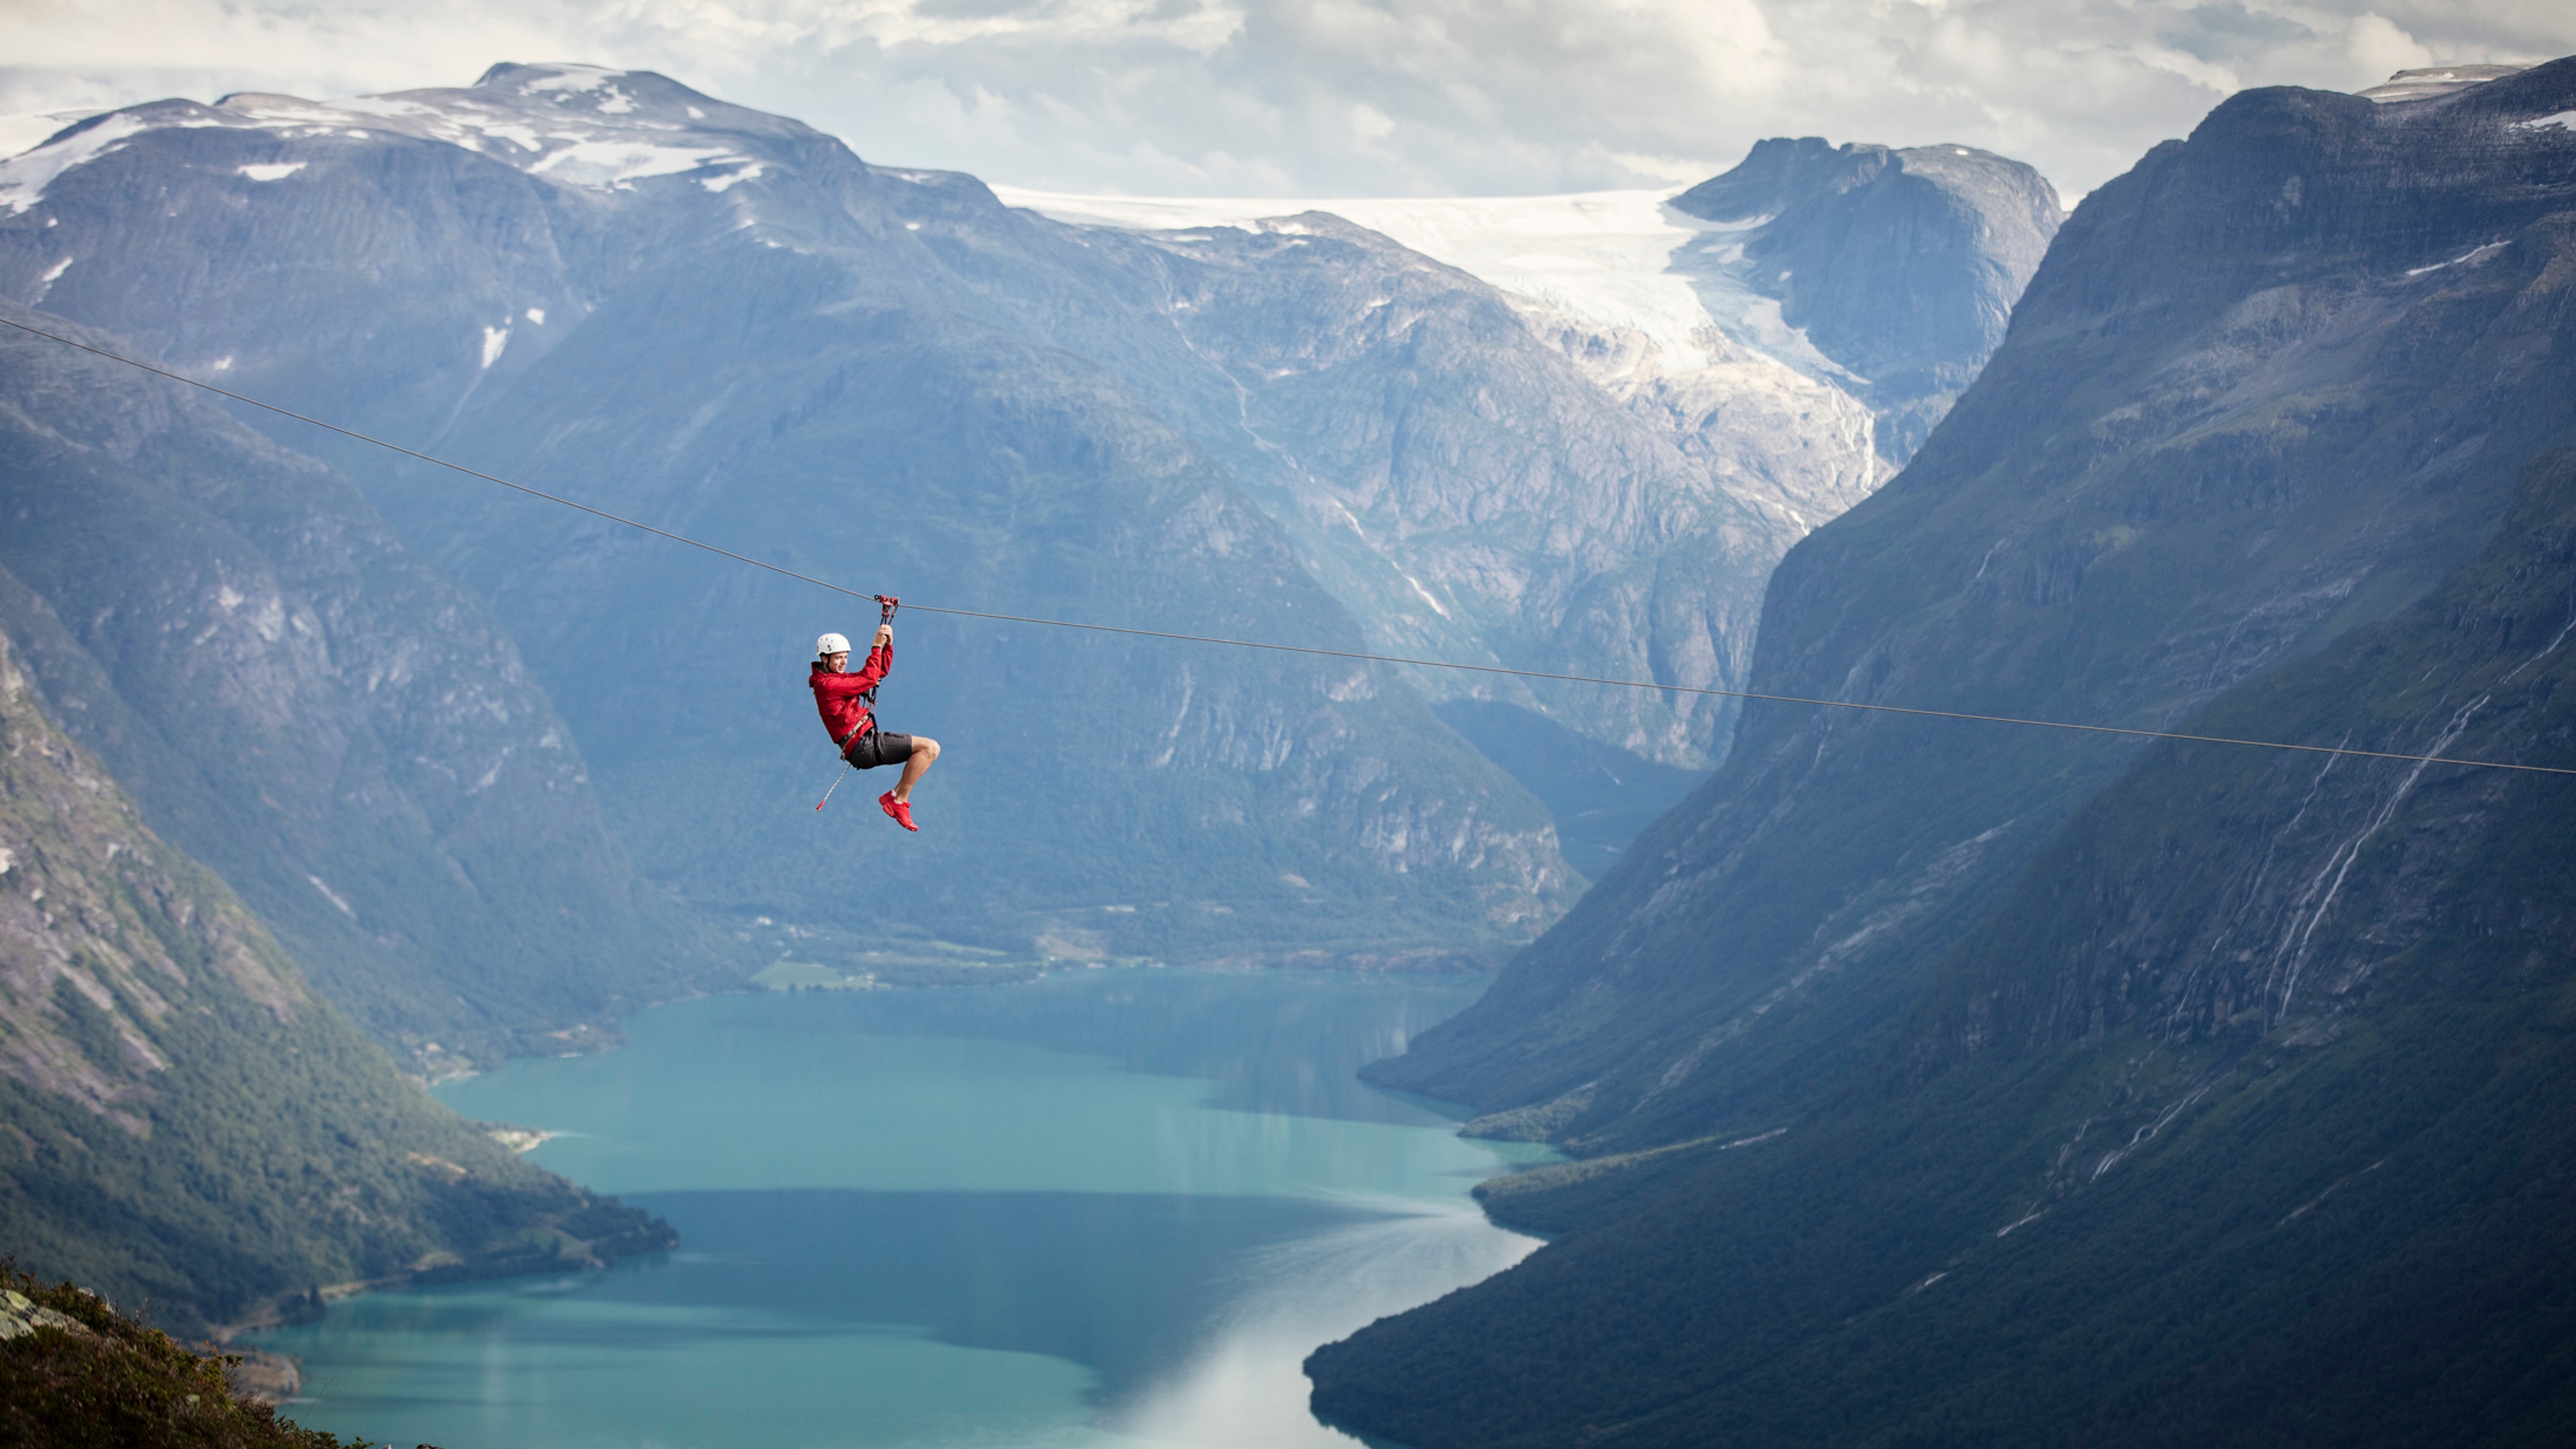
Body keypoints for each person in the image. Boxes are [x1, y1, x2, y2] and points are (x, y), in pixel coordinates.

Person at [810, 603, 940, 831]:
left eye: (845, 657)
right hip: (862, 746)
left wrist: (887, 646)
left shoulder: (838, 681)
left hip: (865, 742)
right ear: (824, 660)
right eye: (838, 658)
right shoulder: (828, 686)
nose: (843, 662)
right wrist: (875, 647)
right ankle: (898, 800)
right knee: (929, 748)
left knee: (929, 749)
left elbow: (877, 673)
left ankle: (896, 797)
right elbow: (869, 679)